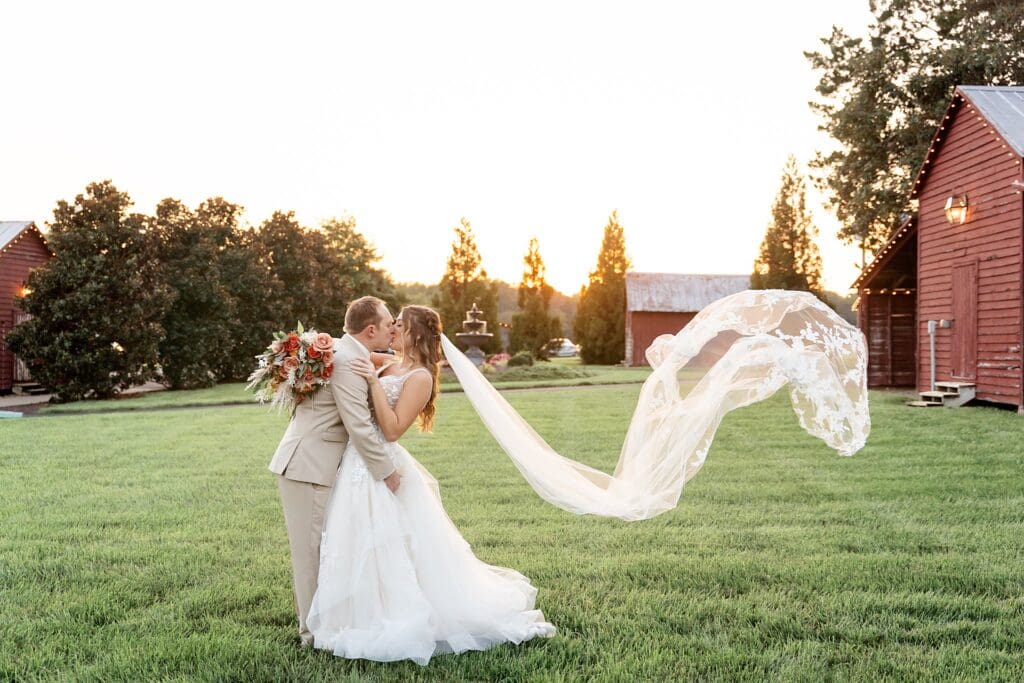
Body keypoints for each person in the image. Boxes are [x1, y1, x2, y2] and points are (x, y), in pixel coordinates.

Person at [307, 305, 555, 665]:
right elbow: (350, 349)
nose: (392, 330)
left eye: (399, 325)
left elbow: (392, 429)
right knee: (354, 538)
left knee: (389, 544)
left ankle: (394, 613)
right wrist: (314, 347)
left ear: (416, 334)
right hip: (357, 463)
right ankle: (357, 612)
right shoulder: (389, 360)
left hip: (382, 461)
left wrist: (375, 382)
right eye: (391, 324)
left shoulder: (420, 377)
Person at [267, 295, 401, 648]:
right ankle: (311, 634)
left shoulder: (348, 350)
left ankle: (323, 621)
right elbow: (358, 424)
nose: (393, 329)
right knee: (309, 553)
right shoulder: (346, 362)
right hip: (307, 466)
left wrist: (391, 359)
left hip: (317, 463)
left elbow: (369, 356)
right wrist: (387, 471)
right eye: (389, 324)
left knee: (323, 548)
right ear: (370, 330)